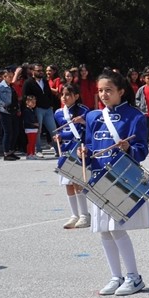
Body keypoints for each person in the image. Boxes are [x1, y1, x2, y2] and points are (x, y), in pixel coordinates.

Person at [81, 70, 149, 297]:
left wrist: (128, 148)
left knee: (117, 229)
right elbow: (91, 146)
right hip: (98, 179)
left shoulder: (135, 117)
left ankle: (134, 277)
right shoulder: (93, 117)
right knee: (103, 231)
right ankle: (115, 276)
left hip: (120, 179)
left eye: (108, 90)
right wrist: (84, 152)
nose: (103, 94)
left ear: (121, 91)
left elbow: (142, 151)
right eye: (100, 90)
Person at [53, 83, 91, 228]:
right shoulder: (58, 113)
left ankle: (84, 215)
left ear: (76, 96)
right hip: (65, 149)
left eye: (68, 94)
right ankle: (74, 215)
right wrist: (58, 138)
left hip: (78, 148)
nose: (65, 97)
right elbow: (61, 132)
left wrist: (83, 121)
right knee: (67, 184)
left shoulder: (84, 110)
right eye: (63, 94)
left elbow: (91, 128)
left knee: (77, 182)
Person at [0, 66, 22, 161]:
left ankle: (11, 151)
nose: (11, 78)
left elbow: (14, 98)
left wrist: (18, 109)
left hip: (13, 110)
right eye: (9, 77)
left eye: (12, 76)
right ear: (4, 77)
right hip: (4, 111)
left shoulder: (11, 86)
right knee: (8, 132)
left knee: (15, 131)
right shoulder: (1, 85)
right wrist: (2, 103)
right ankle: (6, 153)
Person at [23, 63, 57, 156]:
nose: (41, 72)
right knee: (38, 130)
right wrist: (31, 107)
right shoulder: (28, 82)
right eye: (38, 70)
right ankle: (38, 150)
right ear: (32, 71)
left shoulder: (45, 81)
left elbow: (49, 93)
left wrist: (51, 105)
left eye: (42, 70)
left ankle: (58, 150)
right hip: (37, 109)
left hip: (48, 109)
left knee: (53, 130)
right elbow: (26, 96)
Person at [21, 94, 40, 158]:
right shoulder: (26, 111)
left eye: (35, 102)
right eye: (32, 102)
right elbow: (26, 121)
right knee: (30, 142)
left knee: (34, 142)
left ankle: (33, 153)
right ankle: (29, 154)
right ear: (27, 102)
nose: (34, 104)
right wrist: (34, 124)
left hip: (34, 128)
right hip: (29, 128)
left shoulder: (32, 110)